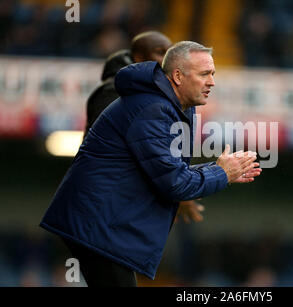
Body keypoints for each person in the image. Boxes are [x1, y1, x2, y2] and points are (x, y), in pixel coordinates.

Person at [39, 41, 262, 287]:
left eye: (213, 74)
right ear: (177, 76)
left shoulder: (172, 106)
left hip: (103, 224)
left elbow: (170, 173)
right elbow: (174, 183)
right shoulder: (152, 109)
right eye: (204, 74)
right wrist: (220, 173)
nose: (212, 82)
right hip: (97, 225)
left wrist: (220, 170)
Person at [85, 31, 204, 225]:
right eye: (160, 52)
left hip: (123, 204)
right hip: (101, 203)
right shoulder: (113, 92)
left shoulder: (154, 96)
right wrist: (174, 189)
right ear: (138, 58)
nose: (167, 59)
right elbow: (130, 151)